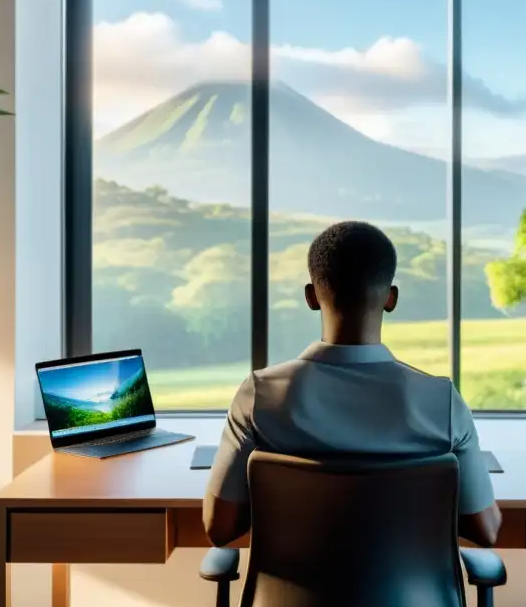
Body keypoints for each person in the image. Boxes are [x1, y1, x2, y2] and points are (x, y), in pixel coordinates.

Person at [203, 220, 502, 548]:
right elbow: (485, 529)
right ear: (391, 298)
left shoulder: (260, 395)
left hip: (287, 601)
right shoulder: (441, 402)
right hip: (414, 601)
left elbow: (220, 528)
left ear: (311, 297)